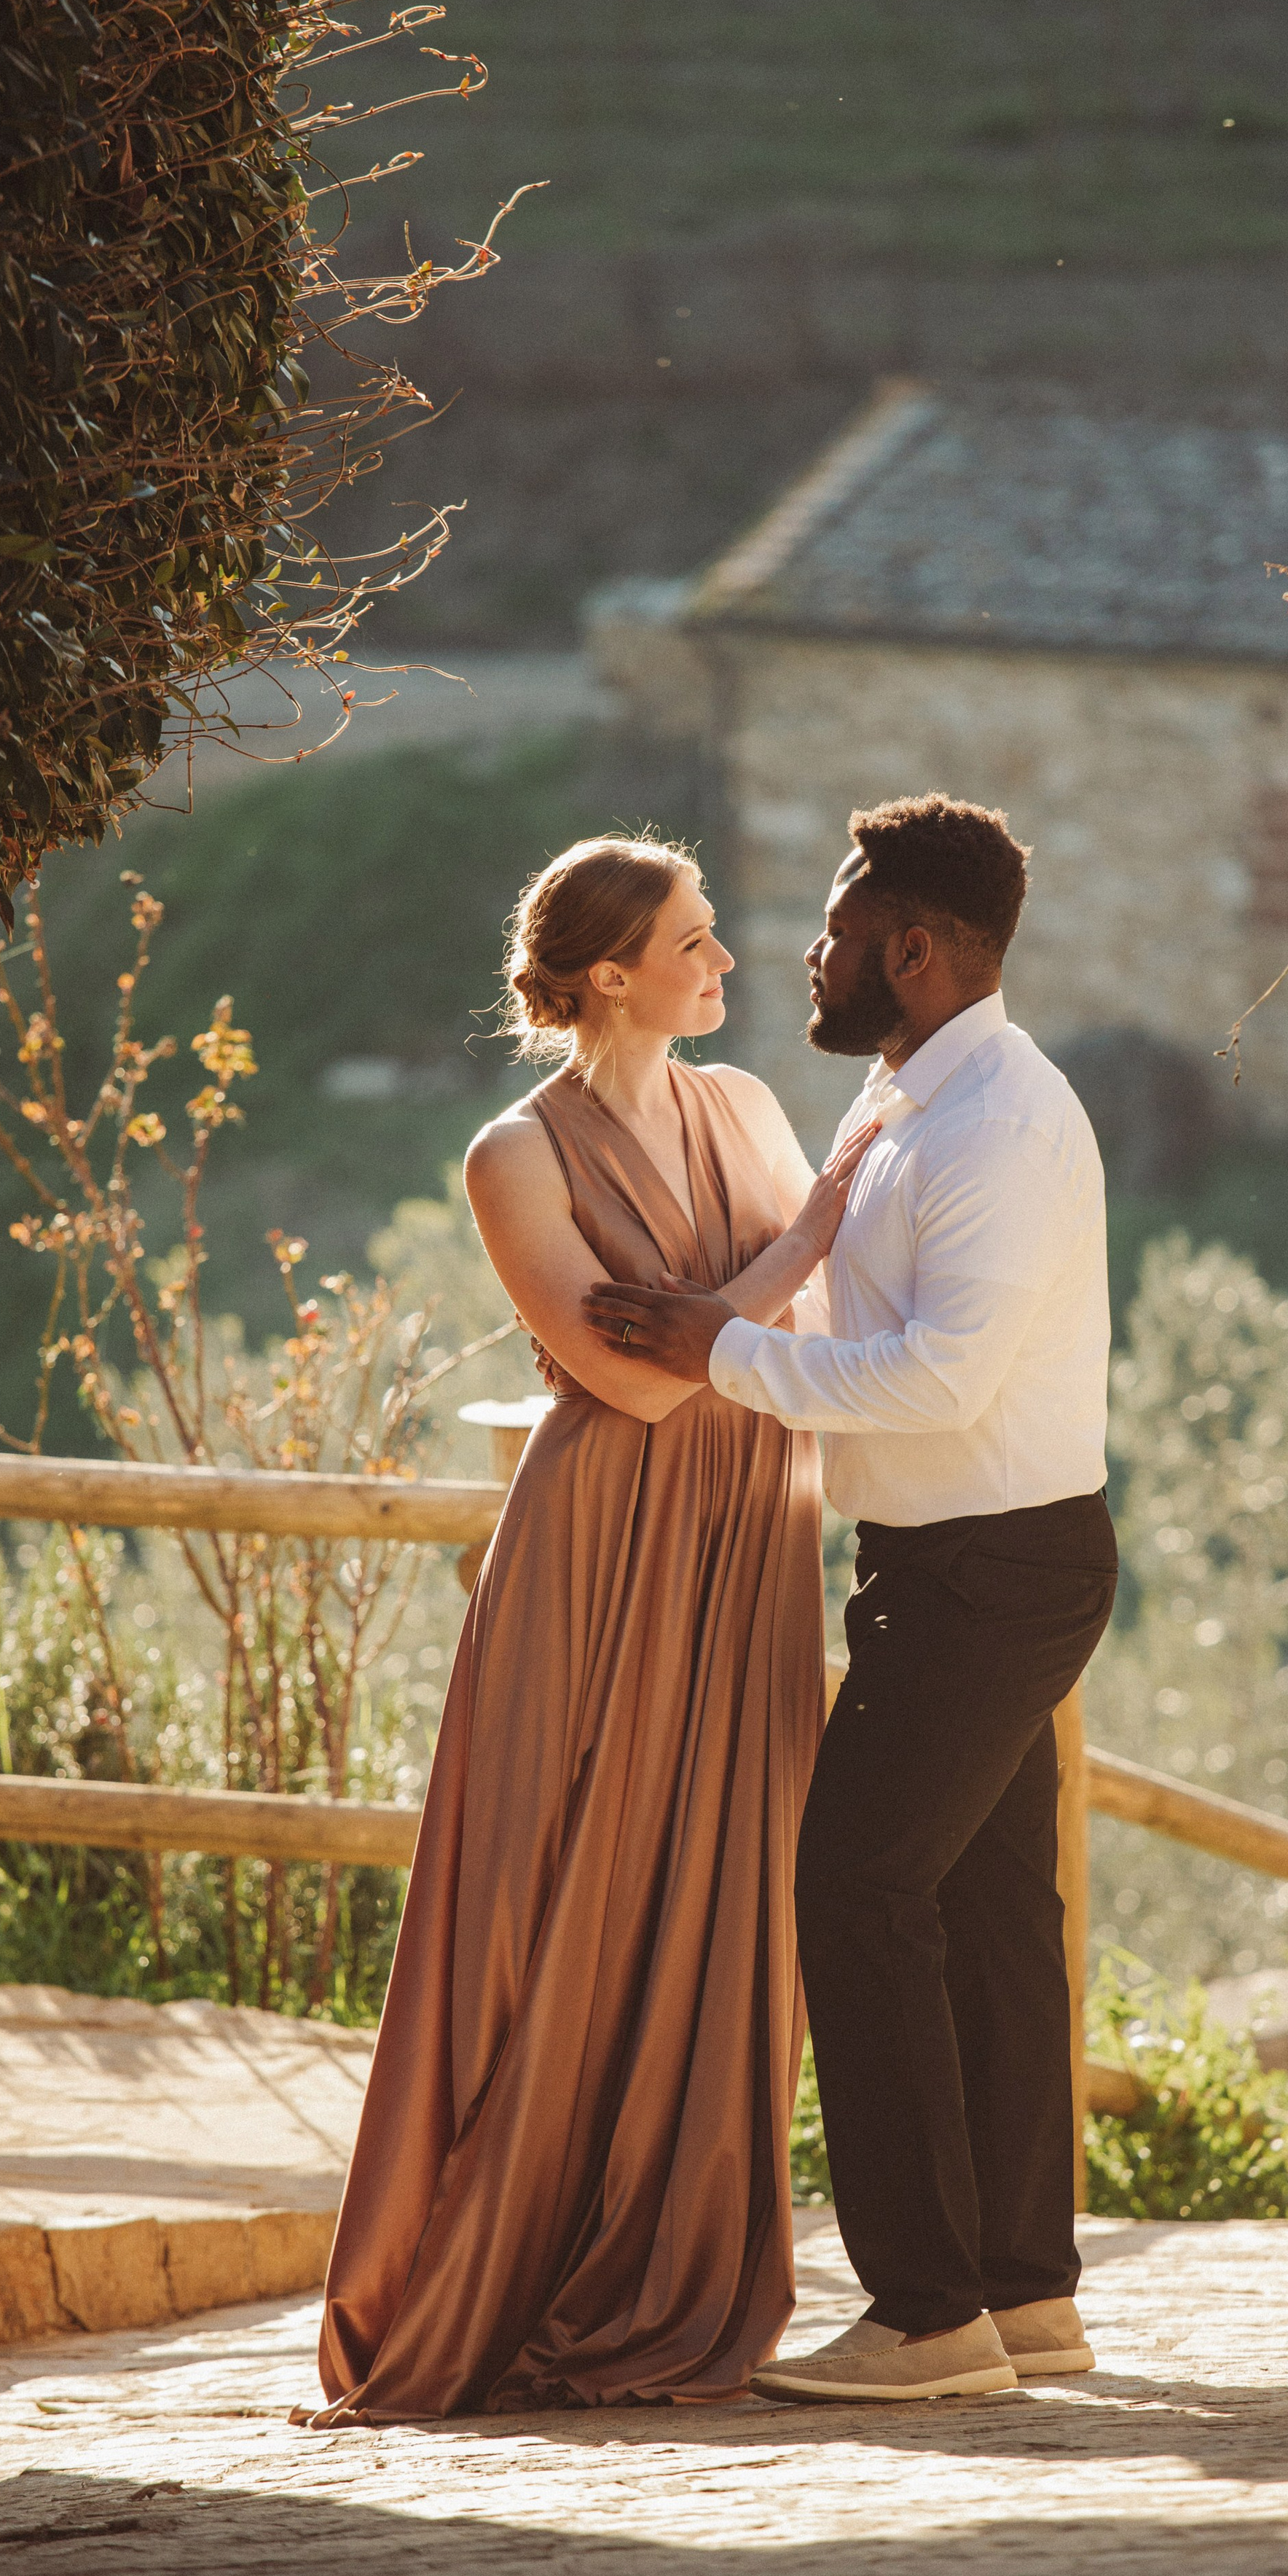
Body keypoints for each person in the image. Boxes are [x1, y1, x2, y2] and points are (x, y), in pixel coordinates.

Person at [310, 834, 873, 2417]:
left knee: (721, 1883)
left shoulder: (747, 1108)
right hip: (595, 1543)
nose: (725, 962)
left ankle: (668, 2262)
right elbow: (623, 1381)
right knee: (547, 1895)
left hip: (749, 1532)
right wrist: (797, 1244)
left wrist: (745, 1296)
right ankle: (497, 2267)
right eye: (694, 940)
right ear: (611, 971)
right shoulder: (514, 1154)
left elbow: (795, 1335)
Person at [584, 792, 1115, 2404]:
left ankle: (924, 2312)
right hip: (944, 1563)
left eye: (829, 931)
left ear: (909, 950)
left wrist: (714, 1355)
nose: (806, 956)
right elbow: (835, 1290)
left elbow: (946, 1378)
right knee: (988, 1918)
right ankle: (1022, 2298)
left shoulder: (997, 1126)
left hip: (994, 1566)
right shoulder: (899, 1103)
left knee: (853, 1893)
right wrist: (720, 1322)